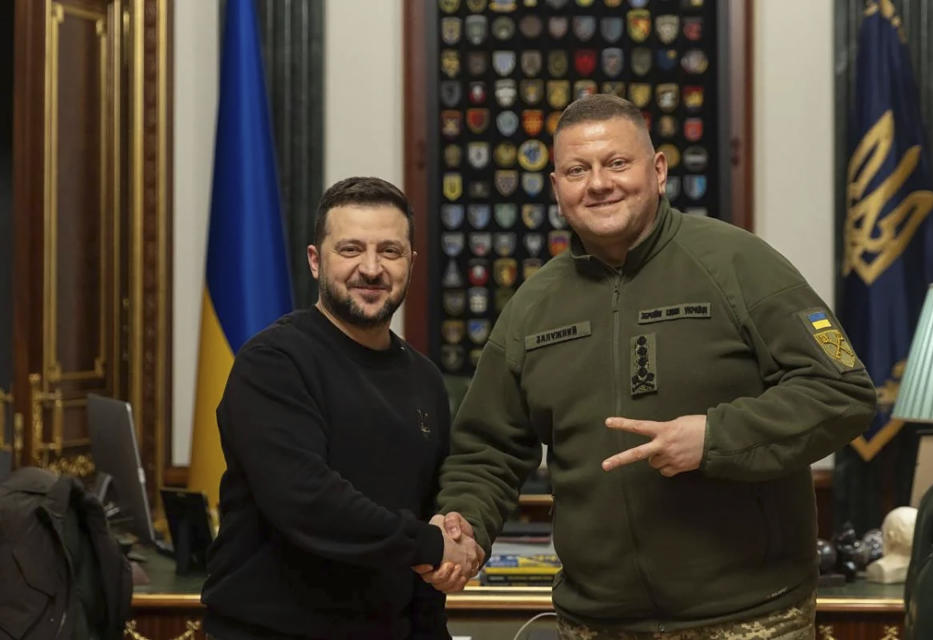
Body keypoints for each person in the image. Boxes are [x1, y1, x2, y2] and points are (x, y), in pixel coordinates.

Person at [422, 95, 878, 639]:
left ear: (657, 171)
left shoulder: (739, 264)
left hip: (749, 618)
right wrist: (463, 523)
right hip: (596, 623)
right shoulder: (532, 306)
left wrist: (715, 438)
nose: (598, 184)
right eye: (577, 170)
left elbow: (841, 390)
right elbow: (487, 448)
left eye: (617, 163)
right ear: (556, 188)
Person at [202, 177, 480, 640]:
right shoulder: (273, 363)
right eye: (350, 249)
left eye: (389, 252)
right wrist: (430, 544)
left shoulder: (425, 378)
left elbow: (425, 510)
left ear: (410, 263)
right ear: (316, 260)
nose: (370, 269)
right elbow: (307, 502)